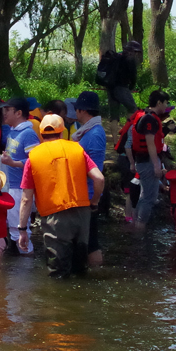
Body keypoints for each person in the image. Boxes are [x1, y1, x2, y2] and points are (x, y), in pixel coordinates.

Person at [16, 115, 105, 278]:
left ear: (41, 134)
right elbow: (99, 178)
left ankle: (58, 302)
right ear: (63, 132)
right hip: (82, 213)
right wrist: (94, 202)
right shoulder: (78, 149)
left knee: (58, 272)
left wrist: (22, 229)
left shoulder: (33, 157)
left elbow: (26, 199)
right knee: (80, 269)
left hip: (54, 217)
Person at [0, 96, 40, 253]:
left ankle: (26, 266)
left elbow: (34, 161)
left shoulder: (28, 134)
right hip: (11, 186)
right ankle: (19, 267)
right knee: (12, 230)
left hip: (21, 189)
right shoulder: (12, 131)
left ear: (18, 113)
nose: (4, 113)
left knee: (19, 231)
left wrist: (13, 163)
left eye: (7, 110)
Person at [71, 90, 107, 267]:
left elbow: (95, 171)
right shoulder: (90, 131)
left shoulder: (93, 134)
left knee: (92, 242)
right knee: (85, 239)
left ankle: (96, 276)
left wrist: (94, 201)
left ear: (82, 110)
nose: (75, 112)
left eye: (76, 108)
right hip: (85, 194)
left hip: (89, 195)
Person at [130, 90, 173, 231]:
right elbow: (150, 144)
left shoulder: (149, 117)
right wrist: (156, 166)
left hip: (146, 161)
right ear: (159, 102)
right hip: (147, 162)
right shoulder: (150, 119)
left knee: (145, 196)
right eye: (166, 103)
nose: (166, 106)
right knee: (149, 197)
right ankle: (140, 227)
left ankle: (137, 225)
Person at [96, 41, 139, 118]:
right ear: (132, 51)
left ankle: (114, 130)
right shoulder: (130, 59)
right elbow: (133, 76)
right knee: (133, 109)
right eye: (136, 52)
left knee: (114, 116)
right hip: (122, 88)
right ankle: (129, 129)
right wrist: (131, 87)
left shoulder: (117, 56)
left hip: (110, 88)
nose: (136, 54)